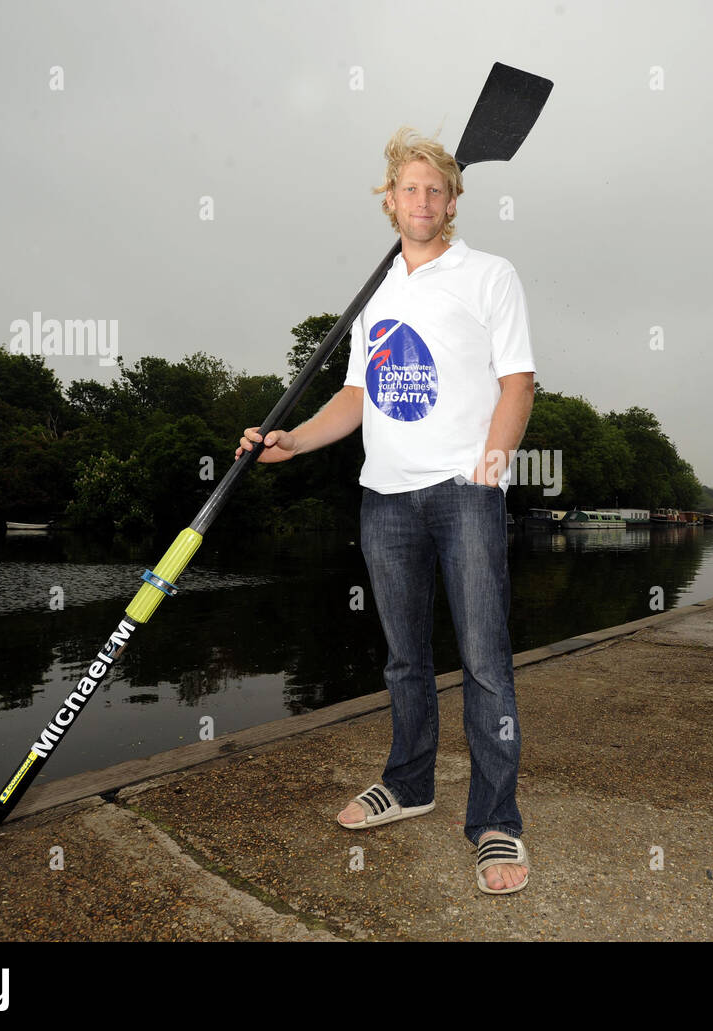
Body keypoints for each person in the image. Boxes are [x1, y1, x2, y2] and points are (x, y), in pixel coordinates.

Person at [235, 127, 535, 895]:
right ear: (390, 198)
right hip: (385, 496)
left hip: (464, 495)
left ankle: (495, 820)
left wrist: (487, 475)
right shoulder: (375, 296)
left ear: (454, 199)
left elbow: (518, 383)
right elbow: (356, 395)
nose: (423, 200)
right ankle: (409, 782)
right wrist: (293, 440)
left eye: (436, 189)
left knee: (486, 664)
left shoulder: (490, 275)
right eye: (410, 188)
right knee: (404, 658)